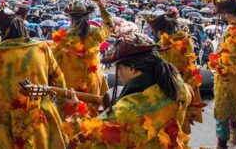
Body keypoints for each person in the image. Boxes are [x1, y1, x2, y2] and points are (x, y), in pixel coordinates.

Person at [0, 8, 68, 149]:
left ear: (3, 32)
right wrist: (62, 110)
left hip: (9, 126)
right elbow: (59, 82)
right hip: (43, 120)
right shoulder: (43, 48)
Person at [62, 35, 192, 148]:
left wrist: (75, 111)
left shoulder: (124, 112)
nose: (118, 73)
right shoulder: (179, 89)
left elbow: (88, 141)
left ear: (132, 68)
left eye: (119, 69)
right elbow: (190, 91)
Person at [147, 14, 204, 134]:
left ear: (161, 31)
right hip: (187, 85)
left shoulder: (165, 48)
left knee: (173, 123)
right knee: (183, 118)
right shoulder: (186, 39)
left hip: (173, 88)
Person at [52, 0, 113, 98]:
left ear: (71, 19)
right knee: (93, 111)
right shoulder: (96, 34)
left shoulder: (62, 38)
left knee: (71, 112)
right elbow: (110, 26)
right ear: (88, 17)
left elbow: (53, 63)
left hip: (70, 86)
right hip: (92, 82)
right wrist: (101, 6)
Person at [208, 0, 236, 149]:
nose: (221, 17)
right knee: (234, 105)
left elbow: (232, 60)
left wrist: (216, 62)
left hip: (228, 78)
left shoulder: (233, 31)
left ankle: (221, 145)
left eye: (222, 13)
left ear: (227, 13)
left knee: (222, 110)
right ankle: (233, 135)